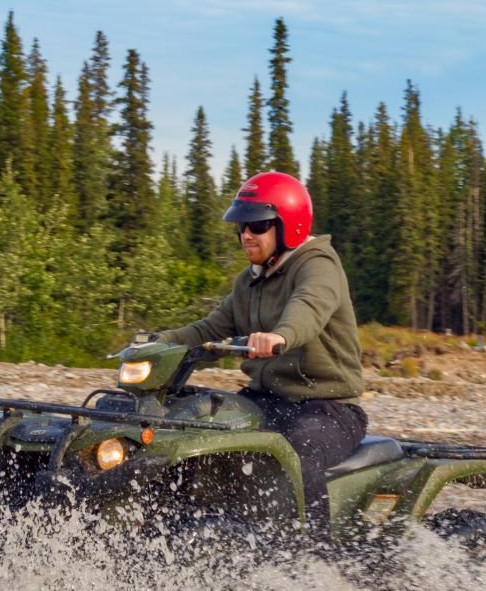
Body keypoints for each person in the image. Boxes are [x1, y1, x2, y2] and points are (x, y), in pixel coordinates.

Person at [155, 171, 366, 542]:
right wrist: (159, 342)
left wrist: (281, 336)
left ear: (289, 226)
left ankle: (316, 556)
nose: (246, 236)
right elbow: (209, 328)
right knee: (195, 429)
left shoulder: (319, 265)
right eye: (241, 227)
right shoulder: (249, 280)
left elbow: (308, 307)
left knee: (298, 456)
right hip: (265, 400)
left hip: (327, 408)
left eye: (257, 225)